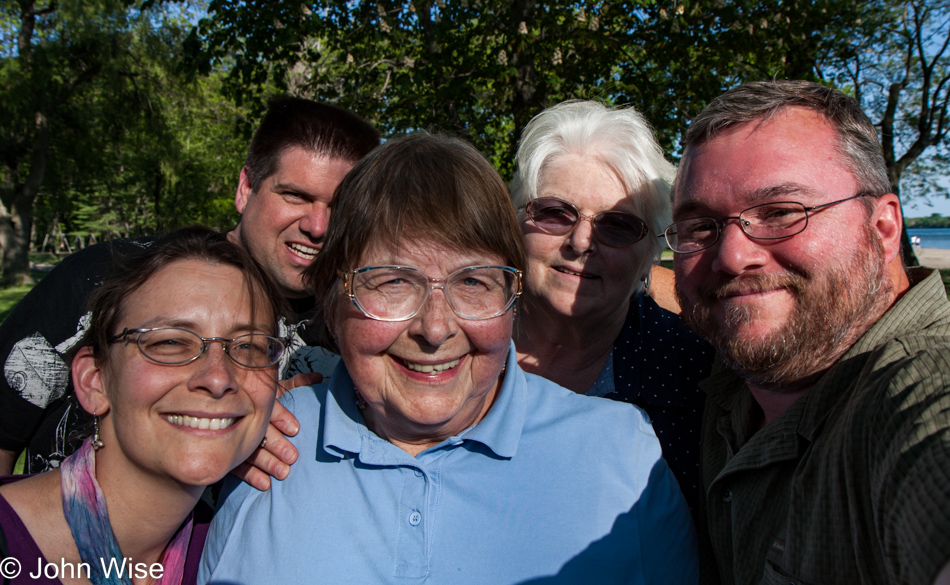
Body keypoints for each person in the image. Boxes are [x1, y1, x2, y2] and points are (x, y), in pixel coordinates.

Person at [199, 133, 698, 584]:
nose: (435, 329)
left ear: (512, 297)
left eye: (473, 283)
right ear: (331, 298)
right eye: (392, 282)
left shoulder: (622, 454)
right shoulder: (266, 446)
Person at [0, 97, 380, 477]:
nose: (317, 226)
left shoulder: (360, 329)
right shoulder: (110, 276)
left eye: (338, 208)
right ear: (246, 188)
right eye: (295, 195)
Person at [665, 80, 950, 585]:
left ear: (883, 229)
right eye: (700, 228)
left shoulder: (916, 389)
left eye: (780, 213)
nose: (731, 257)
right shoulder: (729, 375)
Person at [0, 227, 286, 585]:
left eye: (249, 347)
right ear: (95, 380)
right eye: (170, 342)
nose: (217, 378)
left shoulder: (236, 557)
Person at [509, 100, 714, 514]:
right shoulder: (456, 341)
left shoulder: (696, 377)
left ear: (650, 253)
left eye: (617, 225)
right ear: (516, 222)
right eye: (554, 213)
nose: (580, 242)